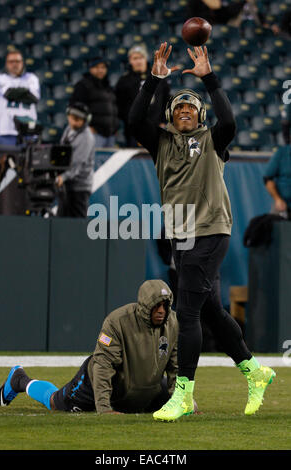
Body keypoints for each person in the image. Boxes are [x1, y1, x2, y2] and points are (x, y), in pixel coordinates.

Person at [128, 42, 276, 421]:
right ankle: (254, 371)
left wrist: (208, 76)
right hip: (182, 236)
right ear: (170, 116)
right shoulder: (160, 143)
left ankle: (182, 394)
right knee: (211, 310)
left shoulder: (213, 139)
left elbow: (229, 122)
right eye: (178, 107)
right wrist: (153, 81)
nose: (184, 111)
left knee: (187, 311)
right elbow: (132, 123)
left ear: (200, 115)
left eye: (190, 107)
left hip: (210, 230)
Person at [0, 280, 190, 414]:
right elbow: (103, 365)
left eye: (165, 306)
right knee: (55, 402)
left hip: (141, 386)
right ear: (145, 306)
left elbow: (176, 367)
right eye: (157, 306)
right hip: (98, 380)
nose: (162, 311)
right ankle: (19, 380)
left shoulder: (172, 322)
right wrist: (104, 408)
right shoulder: (117, 322)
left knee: (164, 399)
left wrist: (185, 403)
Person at [115, 44, 170, 147]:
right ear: (130, 61)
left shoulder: (159, 77)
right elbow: (119, 105)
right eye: (135, 58)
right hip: (134, 130)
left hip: (156, 127)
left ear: (146, 59)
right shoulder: (124, 81)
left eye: (141, 57)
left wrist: (163, 121)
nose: (138, 61)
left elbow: (166, 101)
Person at [55, 102, 95, 218]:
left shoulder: (86, 137)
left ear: (85, 120)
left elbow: (77, 164)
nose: (74, 122)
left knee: (78, 224)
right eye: (73, 118)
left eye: (78, 120)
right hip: (67, 185)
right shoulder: (68, 130)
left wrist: (62, 177)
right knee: (61, 221)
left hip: (79, 188)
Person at [0, 49, 40, 145]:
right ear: (6, 64)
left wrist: (14, 93)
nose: (14, 64)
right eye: (11, 62)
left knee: (27, 159)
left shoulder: (32, 78)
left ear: (22, 63)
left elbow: (34, 98)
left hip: (28, 130)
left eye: (17, 61)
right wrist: (26, 91)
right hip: (5, 130)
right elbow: (8, 94)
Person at [70, 57, 119, 148]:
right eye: (97, 67)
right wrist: (86, 128)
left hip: (110, 135)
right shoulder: (83, 85)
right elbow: (75, 108)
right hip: (94, 134)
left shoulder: (108, 87)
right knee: (93, 161)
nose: (100, 70)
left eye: (103, 67)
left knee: (110, 162)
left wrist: (115, 127)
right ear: (90, 69)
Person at [263, 145, 291, 220]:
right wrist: (277, 199)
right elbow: (267, 179)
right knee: (271, 226)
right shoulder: (282, 153)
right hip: (283, 203)